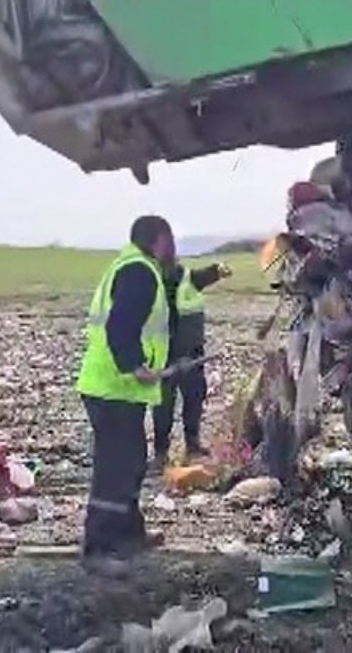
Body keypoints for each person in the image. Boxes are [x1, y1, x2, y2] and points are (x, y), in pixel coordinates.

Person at [74, 215, 176, 576]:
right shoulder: (139, 272)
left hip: (117, 389)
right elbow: (121, 324)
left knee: (131, 460)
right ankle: (99, 546)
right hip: (113, 388)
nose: (172, 247)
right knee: (115, 467)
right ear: (157, 239)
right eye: (169, 239)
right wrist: (135, 365)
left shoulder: (132, 265)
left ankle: (130, 534)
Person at [151, 261, 232, 468]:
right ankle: (161, 453)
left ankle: (193, 446)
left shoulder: (189, 278)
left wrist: (218, 270)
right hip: (163, 358)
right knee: (162, 407)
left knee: (194, 400)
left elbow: (209, 273)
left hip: (192, 356)